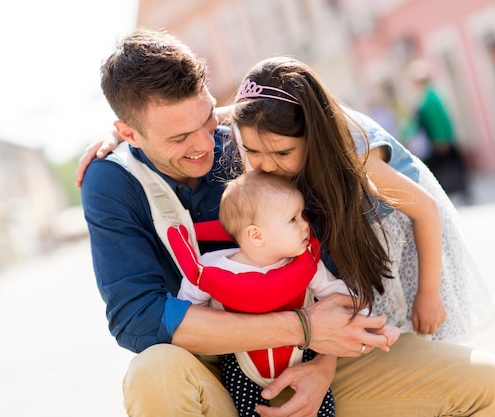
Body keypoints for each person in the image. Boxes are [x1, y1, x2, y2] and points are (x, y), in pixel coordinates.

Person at [79, 28, 495, 417]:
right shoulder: (113, 180)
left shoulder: (258, 144)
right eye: (178, 138)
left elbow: (332, 265)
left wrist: (322, 365)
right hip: (215, 372)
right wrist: (302, 328)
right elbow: (139, 318)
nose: (206, 145)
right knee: (153, 371)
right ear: (129, 133)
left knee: (487, 384)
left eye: (207, 119)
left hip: (314, 360)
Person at [230, 56, 495, 344]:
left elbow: (426, 209)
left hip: (414, 246)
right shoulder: (264, 129)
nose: (266, 165)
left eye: (282, 154)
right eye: (252, 151)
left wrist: (428, 294)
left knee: (427, 339)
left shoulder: (356, 156)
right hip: (364, 251)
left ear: (313, 134)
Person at [175, 169, 400, 417]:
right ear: (256, 235)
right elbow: (188, 313)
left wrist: (371, 324)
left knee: (323, 409)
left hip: (302, 355)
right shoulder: (211, 268)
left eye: (301, 215)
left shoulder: (306, 265)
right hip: (241, 362)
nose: (305, 225)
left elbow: (338, 296)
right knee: (247, 410)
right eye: (293, 219)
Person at [405, 58, 470, 199]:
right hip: (437, 139)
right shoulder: (427, 95)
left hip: (440, 140)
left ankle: (459, 192)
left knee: (449, 167)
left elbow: (437, 120)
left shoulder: (430, 96)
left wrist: (440, 138)